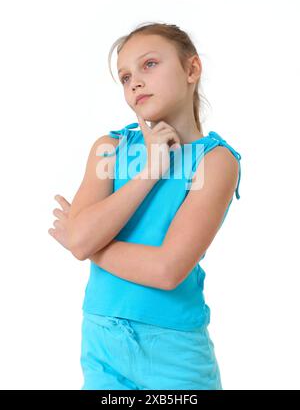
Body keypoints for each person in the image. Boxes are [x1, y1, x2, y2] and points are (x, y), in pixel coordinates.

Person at [49, 22, 242, 390]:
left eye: (149, 64)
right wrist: (150, 170)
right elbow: (81, 239)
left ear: (191, 69)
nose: (134, 81)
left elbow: (167, 270)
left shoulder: (215, 161)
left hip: (173, 348)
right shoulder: (109, 148)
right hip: (101, 337)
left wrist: (86, 243)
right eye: (124, 77)